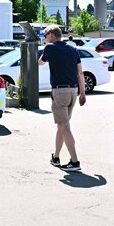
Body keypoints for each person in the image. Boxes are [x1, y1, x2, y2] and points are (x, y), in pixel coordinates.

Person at [38, 24, 86, 172]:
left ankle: (75, 161)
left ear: (52, 35)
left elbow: (40, 62)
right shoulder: (73, 50)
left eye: (46, 36)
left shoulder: (50, 48)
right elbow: (80, 73)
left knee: (64, 126)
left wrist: (46, 49)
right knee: (61, 125)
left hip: (59, 91)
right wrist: (83, 93)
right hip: (73, 91)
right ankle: (56, 157)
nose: (45, 38)